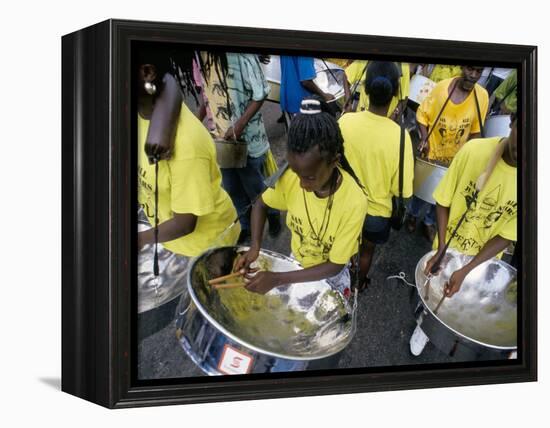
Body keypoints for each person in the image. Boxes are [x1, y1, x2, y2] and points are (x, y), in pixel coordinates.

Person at [234, 98, 368, 297]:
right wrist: (255, 246)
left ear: (334, 162)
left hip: (330, 276)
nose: (302, 184)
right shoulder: (290, 179)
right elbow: (261, 204)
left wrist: (278, 279)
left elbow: (334, 265)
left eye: (310, 177)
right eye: (297, 174)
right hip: (296, 262)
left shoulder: (354, 201)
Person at [410, 117, 518, 356]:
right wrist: (440, 251)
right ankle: (424, 327)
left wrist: (468, 269)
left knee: (458, 302)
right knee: (433, 294)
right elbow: (443, 201)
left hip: (483, 260)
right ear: (513, 122)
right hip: (448, 245)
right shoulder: (474, 151)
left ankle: (446, 329)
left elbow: (507, 235)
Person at [137, 47, 240, 262]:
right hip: (168, 238)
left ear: (147, 72)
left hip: (205, 245)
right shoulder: (137, 113)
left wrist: (136, 240)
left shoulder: (187, 147)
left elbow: (184, 224)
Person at [339, 61, 414, 289]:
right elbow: (403, 191)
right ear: (394, 94)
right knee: (366, 251)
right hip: (376, 214)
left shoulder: (345, 121)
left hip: (344, 205)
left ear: (366, 90)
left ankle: (339, 284)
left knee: (342, 247)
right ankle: (359, 284)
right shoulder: (401, 137)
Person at [197, 52, 281, 244]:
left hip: (248, 141)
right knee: (232, 187)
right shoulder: (200, 57)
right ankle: (245, 226)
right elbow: (205, 92)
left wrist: (239, 126)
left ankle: (273, 212)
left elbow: (261, 92)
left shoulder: (242, 56)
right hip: (221, 140)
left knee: (255, 187)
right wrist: (196, 122)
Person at [406, 66, 489, 242]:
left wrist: (470, 154)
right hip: (433, 152)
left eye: (478, 72)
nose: (473, 75)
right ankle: (412, 214)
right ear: (462, 67)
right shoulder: (442, 88)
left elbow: (476, 130)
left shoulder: (482, 96)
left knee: (443, 197)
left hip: (456, 159)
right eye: (470, 70)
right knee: (423, 190)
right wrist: (424, 139)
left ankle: (429, 222)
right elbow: (423, 115)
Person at [343, 60, 410, 121]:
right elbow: (346, 75)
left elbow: (404, 98)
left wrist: (393, 117)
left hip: (386, 122)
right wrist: (348, 102)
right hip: (361, 117)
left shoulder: (403, 66)